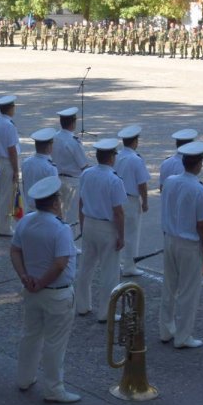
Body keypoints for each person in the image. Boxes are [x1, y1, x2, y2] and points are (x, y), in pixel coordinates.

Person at [11, 176, 81, 403]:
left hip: (31, 288)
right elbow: (60, 264)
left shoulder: (26, 221)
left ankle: (24, 378)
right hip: (56, 292)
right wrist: (41, 282)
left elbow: (15, 251)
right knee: (54, 343)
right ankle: (53, 388)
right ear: (55, 202)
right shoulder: (61, 228)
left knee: (30, 335)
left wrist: (24, 276)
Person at [159, 141, 203, 348]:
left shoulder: (171, 181)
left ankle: (166, 329)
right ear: (198, 164)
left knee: (169, 286)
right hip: (189, 244)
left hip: (170, 239)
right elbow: (202, 224)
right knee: (188, 292)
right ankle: (183, 336)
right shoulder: (198, 189)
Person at [75, 139, 126, 322]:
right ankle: (106, 311)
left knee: (85, 267)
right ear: (112, 158)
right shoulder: (114, 179)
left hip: (89, 222)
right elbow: (118, 212)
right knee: (109, 272)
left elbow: (81, 202)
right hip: (107, 227)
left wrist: (82, 225)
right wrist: (121, 235)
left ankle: (82, 305)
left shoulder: (87, 174)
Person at [113, 125, 149, 277]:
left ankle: (116, 263)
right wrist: (145, 201)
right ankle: (129, 266)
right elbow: (142, 183)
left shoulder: (117, 156)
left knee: (116, 232)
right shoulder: (136, 159)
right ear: (135, 142)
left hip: (116, 197)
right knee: (132, 234)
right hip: (130, 199)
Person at [0, 95, 20, 237]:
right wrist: (16, 169)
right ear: (10, 109)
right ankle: (4, 226)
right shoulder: (9, 125)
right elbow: (12, 149)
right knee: (7, 195)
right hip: (6, 162)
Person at [51, 106, 88, 226]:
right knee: (71, 218)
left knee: (57, 215)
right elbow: (83, 165)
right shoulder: (73, 141)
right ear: (73, 122)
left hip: (56, 179)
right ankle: (69, 243)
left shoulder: (54, 137)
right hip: (72, 182)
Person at [21, 128, 59, 202]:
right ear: (49, 146)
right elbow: (54, 193)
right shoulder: (50, 167)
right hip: (44, 209)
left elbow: (24, 185)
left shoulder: (26, 162)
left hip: (28, 206)